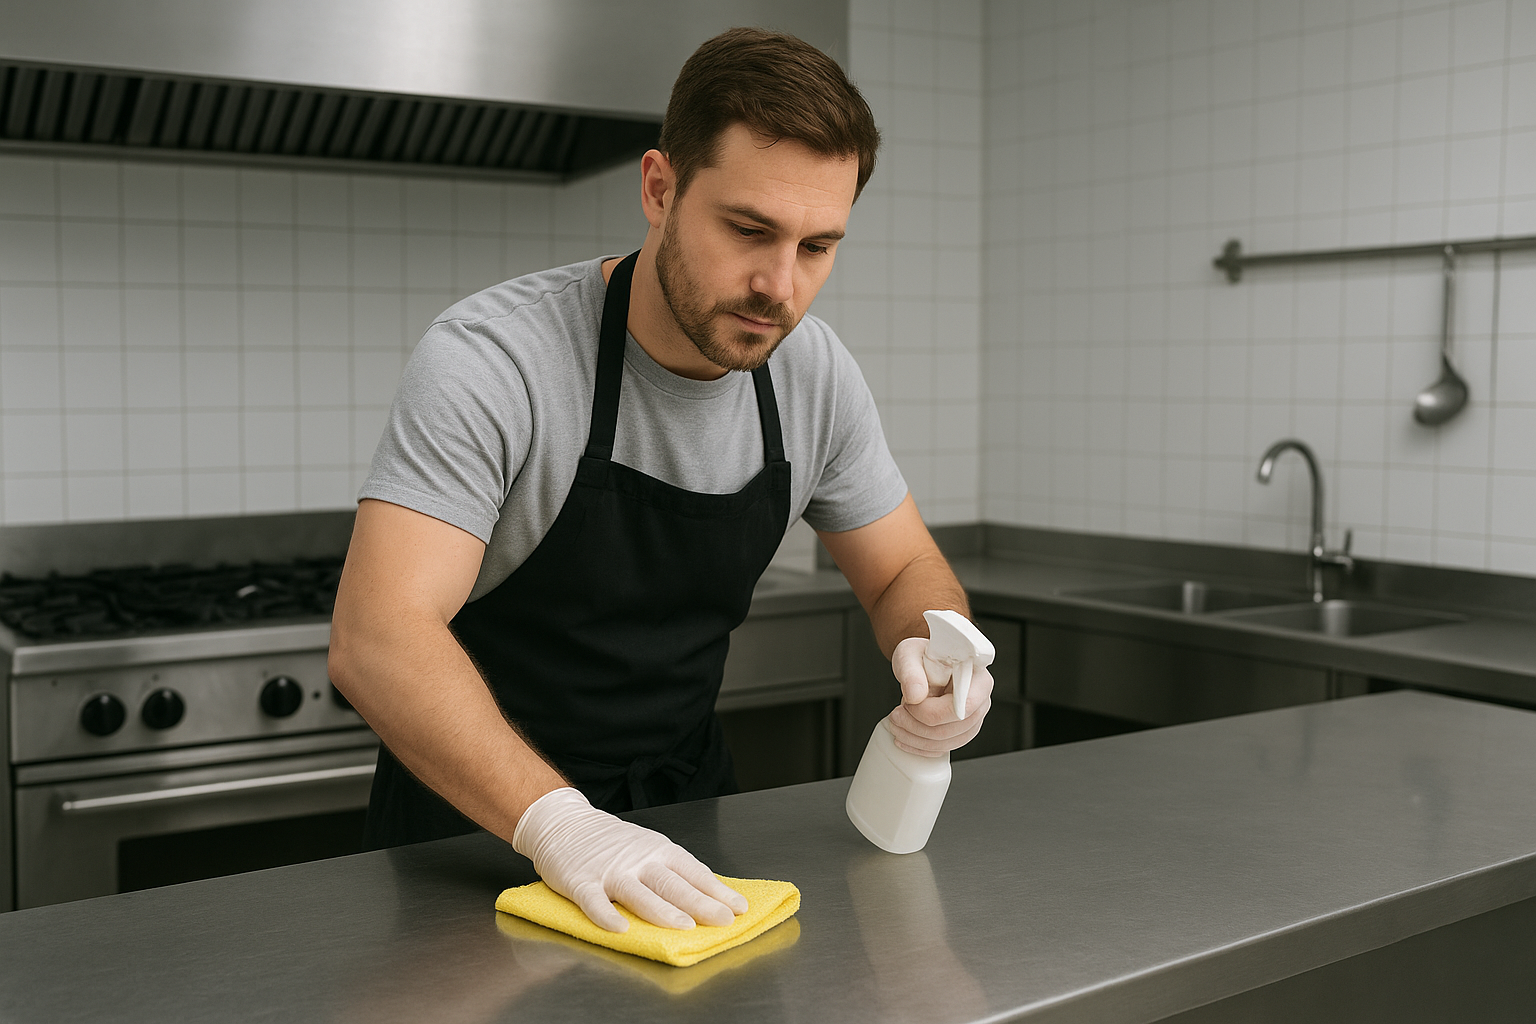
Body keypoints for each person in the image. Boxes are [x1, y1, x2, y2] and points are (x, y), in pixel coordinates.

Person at [328, 27, 994, 934]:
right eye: (749, 230)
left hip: (686, 829)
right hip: (478, 840)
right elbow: (378, 636)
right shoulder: (495, 360)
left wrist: (938, 647)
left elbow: (900, 569)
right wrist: (564, 825)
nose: (779, 287)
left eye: (816, 246)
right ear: (660, 188)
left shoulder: (814, 376)